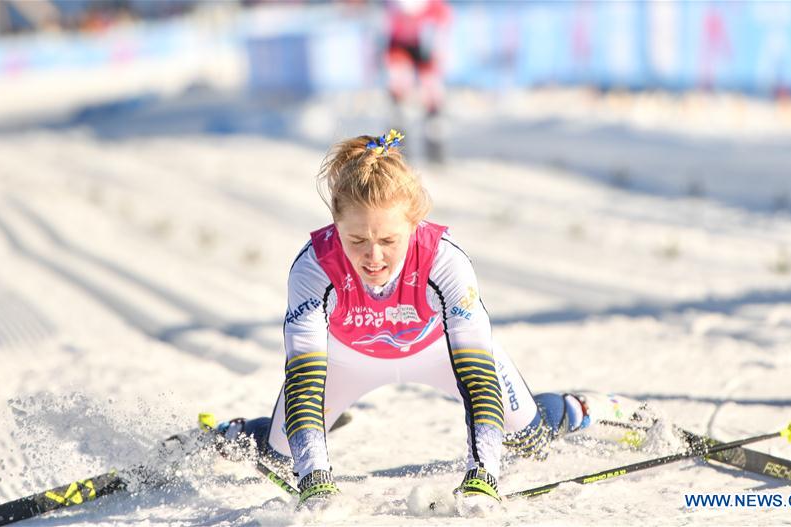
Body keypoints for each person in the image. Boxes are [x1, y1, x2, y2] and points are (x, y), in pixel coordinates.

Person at [229, 131, 619, 510]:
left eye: (388, 241)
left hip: (439, 353)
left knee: (529, 442)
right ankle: (232, 433)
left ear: (413, 225)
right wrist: (314, 479)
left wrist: (483, 475)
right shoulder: (313, 266)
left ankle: (581, 409)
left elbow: (478, 375)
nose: (373, 257)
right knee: (280, 455)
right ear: (335, 224)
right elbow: (305, 378)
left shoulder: (445, 260)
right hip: (347, 361)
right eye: (357, 241)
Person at [384, 0, 451, 163]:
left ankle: (435, 145)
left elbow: (443, 32)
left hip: (426, 45)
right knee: (397, 98)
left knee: (432, 96)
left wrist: (438, 51)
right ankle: (396, 148)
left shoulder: (436, 9)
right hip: (400, 44)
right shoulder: (392, 9)